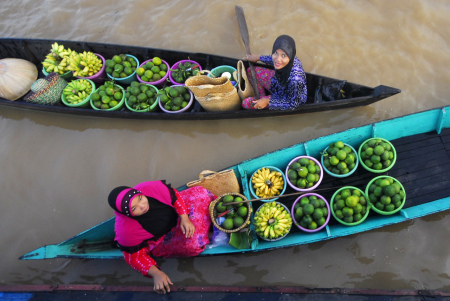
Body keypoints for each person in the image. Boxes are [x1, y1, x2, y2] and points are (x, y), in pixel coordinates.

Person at [108, 180, 216, 294]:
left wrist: (184, 217)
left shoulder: (149, 188)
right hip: (165, 238)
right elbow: (135, 258)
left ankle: (204, 226)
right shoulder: (126, 231)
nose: (142, 205)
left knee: (201, 192)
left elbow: (174, 196)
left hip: (178, 217)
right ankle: (207, 224)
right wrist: (156, 274)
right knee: (194, 243)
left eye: (140, 198)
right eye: (134, 208)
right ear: (127, 213)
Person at [242, 34, 307, 110]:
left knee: (245, 103)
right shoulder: (287, 59)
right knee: (250, 71)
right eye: (276, 53)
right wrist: (258, 57)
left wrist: (268, 101)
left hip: (284, 98)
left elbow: (292, 104)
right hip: (277, 82)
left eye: (283, 55)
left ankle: (263, 102)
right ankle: (261, 96)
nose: (278, 59)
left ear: (290, 56)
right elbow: (273, 59)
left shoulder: (296, 80)